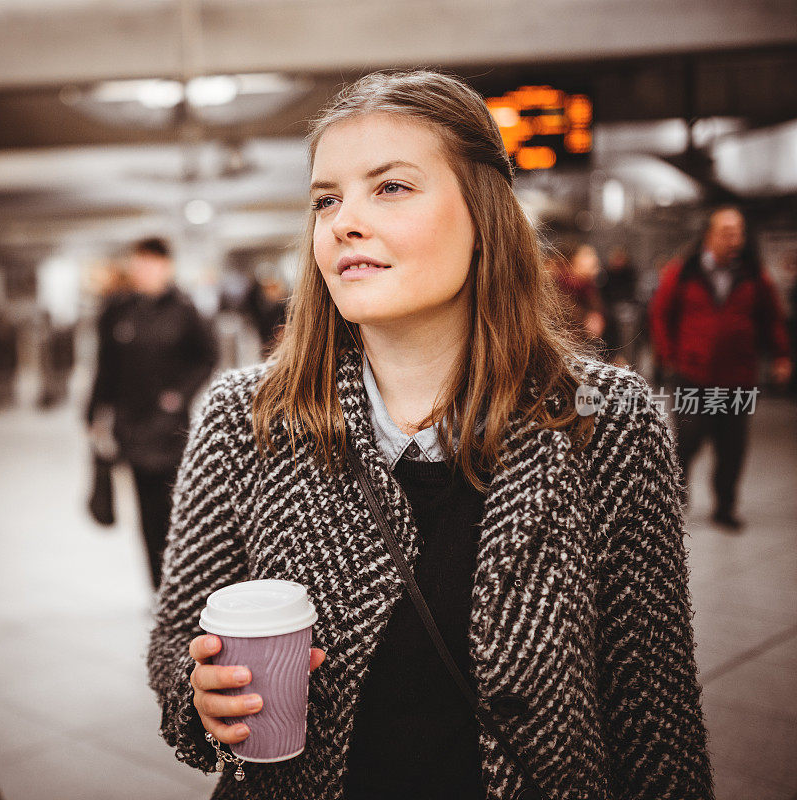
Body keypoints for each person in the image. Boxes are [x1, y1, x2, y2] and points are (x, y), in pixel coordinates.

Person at [147, 71, 715, 800]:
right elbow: (175, 646)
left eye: (390, 187)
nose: (344, 220)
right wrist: (201, 697)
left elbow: (654, 711)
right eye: (327, 198)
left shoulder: (605, 418)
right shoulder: (245, 417)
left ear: (483, 214)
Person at [649, 206, 792, 530]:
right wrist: (668, 354)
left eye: (739, 232)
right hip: (691, 376)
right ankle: (677, 498)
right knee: (687, 440)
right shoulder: (683, 271)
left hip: (737, 380)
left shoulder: (754, 275)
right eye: (727, 233)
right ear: (709, 236)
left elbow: (772, 319)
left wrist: (782, 356)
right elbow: (660, 313)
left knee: (732, 447)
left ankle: (725, 506)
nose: (734, 239)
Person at [87, 237, 218, 588]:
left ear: (165, 266)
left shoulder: (184, 310)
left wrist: (180, 394)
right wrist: (93, 414)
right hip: (131, 426)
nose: (141, 271)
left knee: (178, 508)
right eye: (137, 264)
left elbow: (207, 356)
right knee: (147, 511)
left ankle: (183, 580)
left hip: (170, 429)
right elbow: (105, 367)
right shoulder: (118, 310)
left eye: (149, 264)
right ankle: (158, 587)